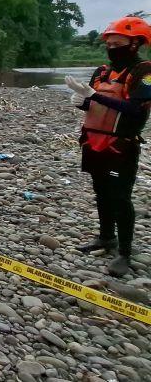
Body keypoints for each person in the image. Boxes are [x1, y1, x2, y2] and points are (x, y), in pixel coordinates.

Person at [65, 16, 151, 277]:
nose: (113, 47)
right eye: (110, 43)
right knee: (101, 192)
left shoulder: (144, 73)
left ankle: (125, 252)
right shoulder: (102, 72)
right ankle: (105, 237)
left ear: (135, 43)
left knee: (120, 197)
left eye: (119, 43)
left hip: (121, 145)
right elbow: (95, 104)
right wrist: (83, 102)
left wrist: (94, 96)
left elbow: (135, 111)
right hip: (94, 141)